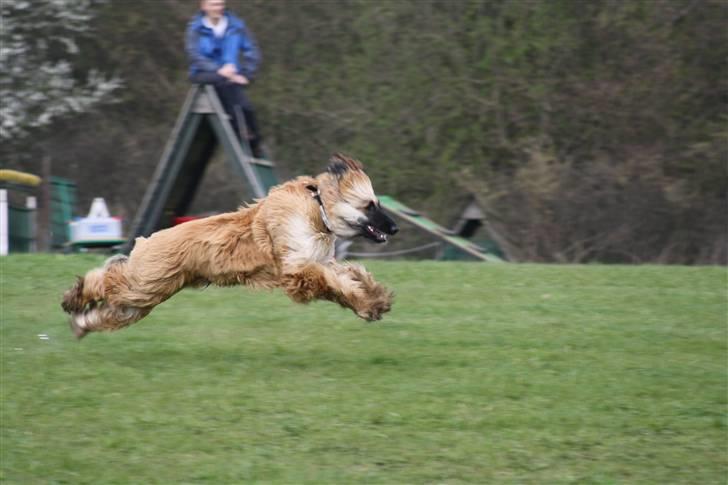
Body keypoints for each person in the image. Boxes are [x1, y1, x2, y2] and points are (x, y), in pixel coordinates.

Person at [186, 0, 264, 158]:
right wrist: (219, 70)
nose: (219, 8)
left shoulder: (236, 26)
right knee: (225, 90)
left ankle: (255, 140)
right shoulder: (195, 29)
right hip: (204, 73)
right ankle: (241, 137)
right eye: (214, 4)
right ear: (204, 6)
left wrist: (246, 74)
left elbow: (252, 51)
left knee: (246, 108)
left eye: (221, 4)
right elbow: (194, 55)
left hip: (231, 76)